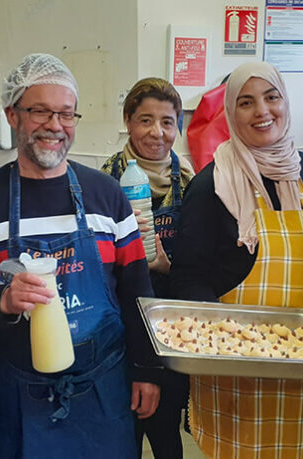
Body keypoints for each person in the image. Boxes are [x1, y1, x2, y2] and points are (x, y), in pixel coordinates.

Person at [0, 53, 162, 458]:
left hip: (104, 386)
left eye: (66, 114)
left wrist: (147, 371)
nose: (55, 125)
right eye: (40, 111)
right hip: (20, 393)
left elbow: (138, 289)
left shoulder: (107, 195)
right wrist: (3, 302)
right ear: (13, 116)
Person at [169, 61, 303, 458]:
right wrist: (227, 343)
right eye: (246, 102)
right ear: (231, 113)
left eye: (271, 98)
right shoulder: (211, 186)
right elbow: (187, 278)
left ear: (285, 102)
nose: (262, 111)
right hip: (239, 379)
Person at [100, 77, 194, 458]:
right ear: (128, 121)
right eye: (145, 120)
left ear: (178, 127)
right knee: (125, 429)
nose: (157, 132)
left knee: (166, 428)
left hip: (173, 325)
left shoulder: (191, 182)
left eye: (167, 122)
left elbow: (201, 263)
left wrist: (167, 265)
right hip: (121, 327)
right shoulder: (104, 182)